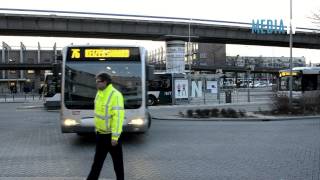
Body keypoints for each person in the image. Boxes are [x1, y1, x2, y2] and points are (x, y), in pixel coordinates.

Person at [87, 72, 125, 180]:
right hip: (101, 135)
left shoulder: (115, 95)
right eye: (96, 82)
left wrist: (115, 137)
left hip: (112, 137)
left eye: (98, 82)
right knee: (97, 163)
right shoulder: (99, 93)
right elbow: (99, 114)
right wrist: (97, 129)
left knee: (118, 164)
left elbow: (118, 118)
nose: (96, 84)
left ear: (105, 82)